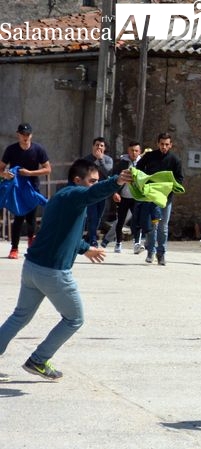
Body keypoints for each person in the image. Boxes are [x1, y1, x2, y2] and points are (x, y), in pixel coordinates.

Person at [0, 159, 132, 380]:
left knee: (20, 316)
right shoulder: (75, 195)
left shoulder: (61, 197)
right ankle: (38, 360)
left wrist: (85, 249)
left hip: (32, 267)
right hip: (53, 272)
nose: (94, 185)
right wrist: (116, 181)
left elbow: (63, 234)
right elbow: (93, 193)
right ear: (77, 180)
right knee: (74, 319)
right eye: (91, 181)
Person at [0, 123, 51, 260]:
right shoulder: (11, 150)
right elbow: (1, 169)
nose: (25, 137)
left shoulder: (38, 149)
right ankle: (14, 248)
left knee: (31, 218)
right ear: (18, 134)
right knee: (18, 216)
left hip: (32, 188)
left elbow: (48, 169)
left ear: (31, 135)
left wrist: (30, 173)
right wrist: (5, 175)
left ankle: (31, 243)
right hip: (16, 189)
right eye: (23, 134)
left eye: (28, 134)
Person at [137, 132, 184, 266]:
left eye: (166, 144)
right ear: (158, 144)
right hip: (151, 197)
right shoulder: (150, 156)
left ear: (171, 145)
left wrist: (170, 186)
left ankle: (161, 253)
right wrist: (145, 182)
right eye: (162, 144)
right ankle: (150, 252)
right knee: (153, 225)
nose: (164, 147)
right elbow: (138, 169)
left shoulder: (175, 160)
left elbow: (180, 178)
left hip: (166, 198)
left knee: (163, 227)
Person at [109, 141, 143, 253]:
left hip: (136, 197)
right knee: (121, 220)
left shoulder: (143, 163)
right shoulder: (122, 163)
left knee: (137, 220)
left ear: (140, 151)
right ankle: (118, 243)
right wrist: (115, 192)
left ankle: (137, 243)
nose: (134, 153)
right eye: (132, 150)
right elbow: (114, 178)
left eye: (136, 151)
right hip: (123, 196)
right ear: (128, 151)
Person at [82, 137, 114, 247]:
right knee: (93, 216)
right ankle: (93, 239)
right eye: (97, 145)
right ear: (93, 146)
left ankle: (89, 236)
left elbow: (108, 173)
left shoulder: (108, 160)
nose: (99, 147)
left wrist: (100, 160)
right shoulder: (87, 159)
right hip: (90, 192)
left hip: (103, 193)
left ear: (104, 148)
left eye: (101, 146)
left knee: (99, 216)